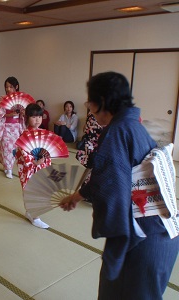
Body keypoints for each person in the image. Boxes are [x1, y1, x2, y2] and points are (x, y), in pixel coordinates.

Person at [59, 72, 179, 299]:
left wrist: (116, 246)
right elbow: (112, 175)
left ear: (102, 102)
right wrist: (78, 196)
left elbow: (110, 188)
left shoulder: (116, 131)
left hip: (143, 237)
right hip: (166, 230)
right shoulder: (133, 125)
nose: (90, 108)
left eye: (90, 103)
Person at [16, 103, 51, 229]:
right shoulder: (24, 134)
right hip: (28, 168)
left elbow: (48, 150)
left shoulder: (43, 133)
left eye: (40, 117)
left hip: (40, 167)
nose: (37, 120)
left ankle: (30, 212)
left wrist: (44, 159)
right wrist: (33, 162)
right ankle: (34, 216)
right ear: (27, 118)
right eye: (34, 117)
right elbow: (21, 151)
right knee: (30, 190)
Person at [0, 76, 25, 179]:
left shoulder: (20, 99)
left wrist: (23, 113)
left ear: (16, 86)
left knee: (14, 148)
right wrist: (9, 115)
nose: (8, 89)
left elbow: (25, 115)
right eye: (6, 87)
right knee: (6, 148)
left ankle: (8, 166)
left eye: (11, 87)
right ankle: (9, 169)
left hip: (16, 127)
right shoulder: (2, 99)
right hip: (6, 126)